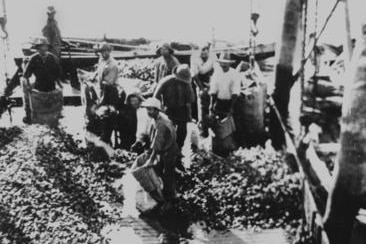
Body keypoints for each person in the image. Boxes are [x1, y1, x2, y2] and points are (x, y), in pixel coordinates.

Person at [132, 98, 179, 210]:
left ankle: (169, 200)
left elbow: (157, 145)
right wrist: (139, 142)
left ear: (157, 110)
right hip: (166, 149)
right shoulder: (157, 119)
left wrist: (150, 159)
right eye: (147, 109)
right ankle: (165, 196)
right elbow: (150, 137)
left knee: (167, 175)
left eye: (151, 110)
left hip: (168, 151)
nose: (148, 112)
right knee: (161, 172)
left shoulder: (161, 124)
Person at [154, 64, 195, 149]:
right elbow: (156, 96)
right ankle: (167, 148)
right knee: (168, 130)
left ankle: (179, 148)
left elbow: (191, 99)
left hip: (182, 109)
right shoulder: (166, 81)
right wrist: (160, 108)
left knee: (183, 130)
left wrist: (189, 113)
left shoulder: (187, 84)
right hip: (168, 109)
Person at [22, 37, 62, 124]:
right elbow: (26, 74)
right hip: (39, 84)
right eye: (40, 48)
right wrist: (28, 85)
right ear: (37, 49)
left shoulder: (52, 58)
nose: (43, 49)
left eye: (44, 47)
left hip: (51, 84)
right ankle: (38, 120)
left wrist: (59, 84)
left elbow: (57, 72)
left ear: (47, 48)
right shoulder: (33, 59)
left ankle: (52, 120)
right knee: (39, 104)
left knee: (50, 104)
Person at [95, 42, 120, 144]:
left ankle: (106, 139)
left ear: (110, 51)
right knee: (100, 115)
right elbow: (98, 72)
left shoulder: (113, 64)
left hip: (110, 92)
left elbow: (109, 83)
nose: (103, 53)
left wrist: (102, 100)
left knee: (108, 115)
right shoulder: (101, 60)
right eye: (101, 51)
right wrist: (93, 76)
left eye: (106, 51)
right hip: (102, 90)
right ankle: (103, 136)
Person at [191, 44, 215, 137]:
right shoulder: (195, 60)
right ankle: (203, 130)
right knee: (202, 108)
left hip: (212, 86)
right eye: (202, 49)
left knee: (212, 108)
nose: (204, 51)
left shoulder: (212, 59)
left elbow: (216, 70)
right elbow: (194, 76)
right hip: (201, 87)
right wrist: (202, 89)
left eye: (206, 49)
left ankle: (212, 130)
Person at [209, 52, 241, 118]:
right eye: (222, 63)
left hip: (230, 102)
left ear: (229, 64)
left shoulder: (234, 73)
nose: (224, 65)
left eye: (226, 63)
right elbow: (213, 90)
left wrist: (231, 108)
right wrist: (211, 104)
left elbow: (235, 92)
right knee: (217, 122)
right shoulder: (217, 73)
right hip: (219, 102)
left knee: (230, 124)